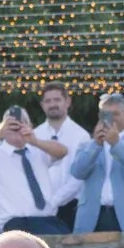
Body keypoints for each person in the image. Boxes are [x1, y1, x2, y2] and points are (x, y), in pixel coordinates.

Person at [0, 105, 66, 235]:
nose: (17, 125)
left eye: (23, 122)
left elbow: (62, 151)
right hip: (17, 222)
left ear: (30, 125)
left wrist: (35, 141)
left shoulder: (37, 150)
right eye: (11, 122)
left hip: (48, 220)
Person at [67, 91, 124, 233]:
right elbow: (77, 172)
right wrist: (96, 144)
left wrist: (117, 144)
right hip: (93, 216)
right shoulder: (87, 145)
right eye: (107, 114)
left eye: (116, 114)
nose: (111, 119)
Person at [31, 84, 90, 229]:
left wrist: (56, 200)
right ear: (42, 105)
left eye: (57, 100)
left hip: (71, 206)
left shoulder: (81, 135)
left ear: (67, 102)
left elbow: (80, 176)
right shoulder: (35, 135)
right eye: (48, 101)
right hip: (40, 206)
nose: (52, 105)